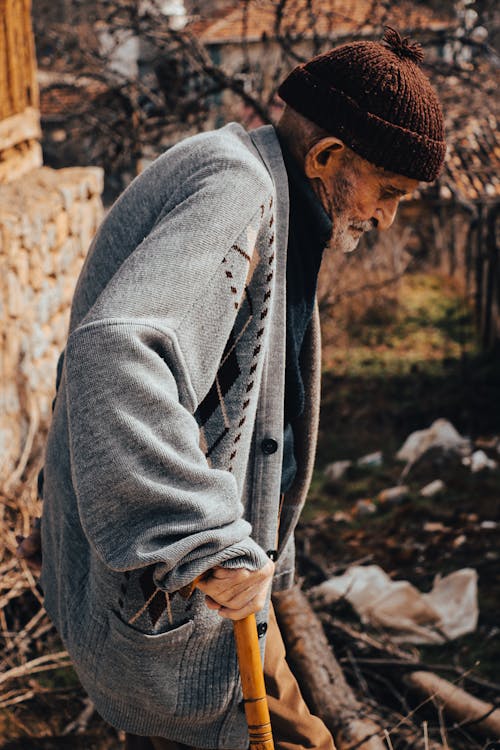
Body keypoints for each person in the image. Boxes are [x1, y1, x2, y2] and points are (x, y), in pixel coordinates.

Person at [19, 27, 445, 750]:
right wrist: (207, 539)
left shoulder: (256, 177)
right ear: (328, 157)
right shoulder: (236, 195)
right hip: (192, 585)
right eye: (388, 192)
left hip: (196, 585)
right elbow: (116, 354)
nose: (384, 218)